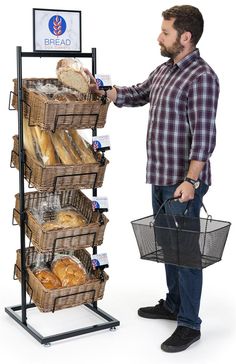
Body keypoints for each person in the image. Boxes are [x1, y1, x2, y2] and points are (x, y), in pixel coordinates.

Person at [86, 5, 219, 353]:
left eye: (165, 32)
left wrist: (191, 182)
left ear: (185, 37)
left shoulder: (201, 77)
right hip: (160, 177)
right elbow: (137, 93)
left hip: (182, 183)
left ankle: (190, 324)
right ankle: (174, 304)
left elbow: (204, 138)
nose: (158, 37)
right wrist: (104, 89)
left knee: (186, 254)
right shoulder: (164, 71)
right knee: (168, 248)